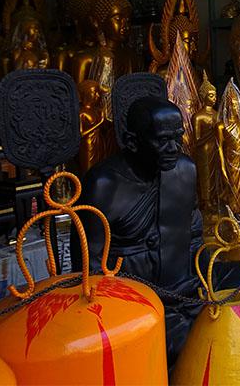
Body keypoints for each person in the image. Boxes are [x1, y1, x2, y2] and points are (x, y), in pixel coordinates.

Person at [71, 97, 203, 366]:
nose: (173, 148)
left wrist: (198, 274)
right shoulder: (104, 183)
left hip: (183, 287)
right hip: (133, 299)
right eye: (163, 140)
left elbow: (194, 232)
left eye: (178, 138)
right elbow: (88, 265)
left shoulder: (186, 170)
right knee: (183, 341)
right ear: (132, 141)